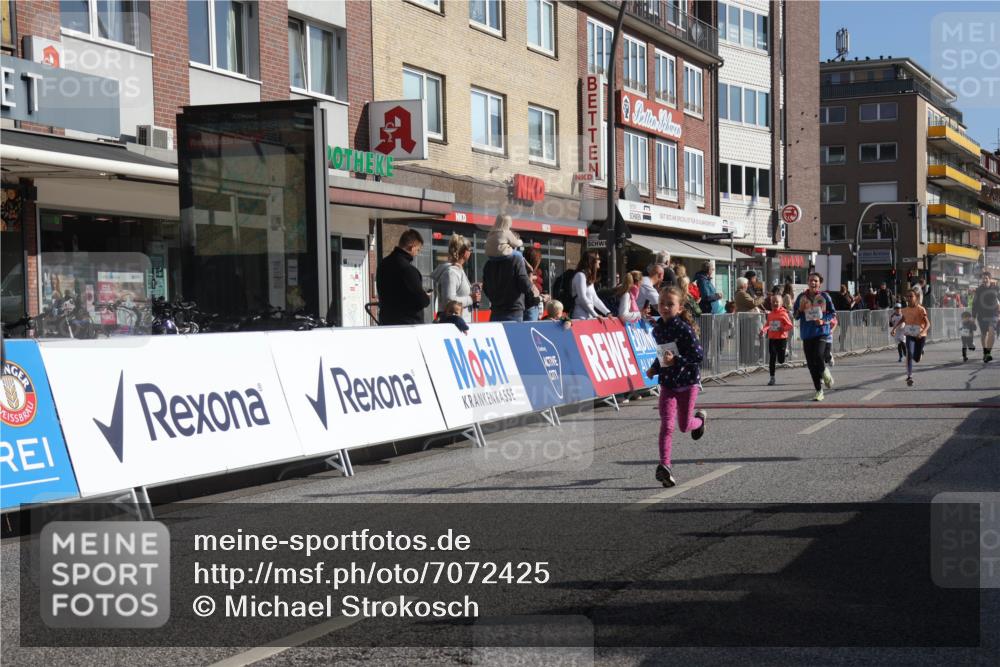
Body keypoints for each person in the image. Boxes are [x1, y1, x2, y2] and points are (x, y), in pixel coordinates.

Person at [645, 287, 707, 488]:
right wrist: (655, 368)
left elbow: (698, 356)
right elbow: (663, 354)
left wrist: (676, 361)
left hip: (688, 383)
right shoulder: (658, 329)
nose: (664, 307)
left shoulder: (684, 329)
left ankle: (699, 420)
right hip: (668, 384)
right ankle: (665, 466)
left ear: (680, 308)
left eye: (670, 304)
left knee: (684, 425)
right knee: (667, 425)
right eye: (662, 303)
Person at [793, 272, 836, 401]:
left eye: (816, 281)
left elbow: (832, 313)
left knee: (818, 355)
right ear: (808, 282)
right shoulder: (801, 297)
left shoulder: (825, 296)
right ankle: (819, 391)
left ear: (819, 283)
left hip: (821, 332)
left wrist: (823, 321)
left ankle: (825, 373)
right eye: (811, 280)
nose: (813, 282)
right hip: (807, 334)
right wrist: (800, 310)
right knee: (811, 365)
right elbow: (795, 316)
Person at [375, 229, 430, 325]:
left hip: (386, 321)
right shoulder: (408, 269)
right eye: (418, 250)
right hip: (408, 323)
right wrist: (426, 296)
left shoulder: (383, 264)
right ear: (412, 247)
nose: (417, 253)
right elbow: (421, 300)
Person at [482, 251, 538, 323]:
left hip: (495, 312)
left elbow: (486, 289)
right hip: (513, 312)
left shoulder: (489, 263)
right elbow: (526, 286)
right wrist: (529, 272)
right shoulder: (516, 260)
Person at [431, 234, 475, 322]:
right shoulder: (451, 272)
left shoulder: (458, 270)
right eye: (470, 250)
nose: (471, 252)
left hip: (460, 321)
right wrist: (471, 299)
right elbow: (449, 301)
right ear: (464, 252)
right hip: (455, 323)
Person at [891, 288, 930, 386]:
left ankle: (920, 353)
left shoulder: (921, 309)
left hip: (920, 336)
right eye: (907, 296)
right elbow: (903, 319)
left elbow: (928, 324)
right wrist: (894, 328)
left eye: (911, 296)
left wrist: (922, 332)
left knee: (916, 358)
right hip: (909, 335)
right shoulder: (904, 310)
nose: (908, 298)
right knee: (909, 353)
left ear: (916, 297)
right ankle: (909, 376)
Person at [760, 292, 794, 385]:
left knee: (781, 360)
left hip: (782, 338)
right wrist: (763, 330)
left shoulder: (784, 314)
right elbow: (768, 325)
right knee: (772, 357)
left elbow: (790, 326)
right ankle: (772, 377)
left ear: (781, 303)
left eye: (777, 302)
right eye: (773, 302)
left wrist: (783, 328)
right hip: (772, 338)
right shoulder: (770, 314)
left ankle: (785, 352)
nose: (775, 303)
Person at [572, 251, 610, 320]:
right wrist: (595, 315)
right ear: (591, 261)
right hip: (580, 317)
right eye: (598, 259)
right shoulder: (580, 276)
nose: (600, 261)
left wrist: (607, 313)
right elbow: (582, 298)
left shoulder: (589, 278)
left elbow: (595, 299)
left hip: (589, 317)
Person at [971, 271, 999, 363]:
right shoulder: (978, 290)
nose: (984, 280)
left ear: (990, 279)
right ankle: (985, 351)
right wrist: (973, 317)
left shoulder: (996, 288)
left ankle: (988, 353)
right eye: (983, 278)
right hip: (982, 315)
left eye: (986, 278)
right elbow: (974, 304)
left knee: (991, 331)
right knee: (984, 334)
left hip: (993, 314)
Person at [522, 246, 544, 321]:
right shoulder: (527, 274)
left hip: (531, 310)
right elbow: (530, 300)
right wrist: (541, 298)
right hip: (530, 311)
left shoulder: (525, 273)